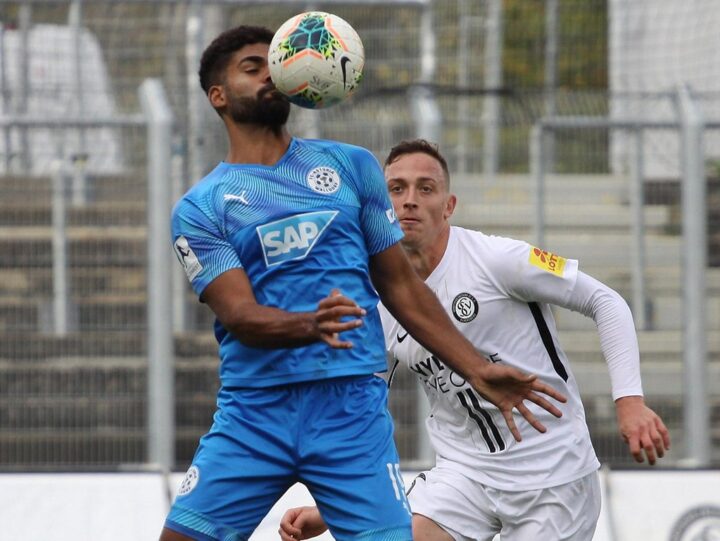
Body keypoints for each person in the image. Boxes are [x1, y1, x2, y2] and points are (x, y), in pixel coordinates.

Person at [160, 27, 567, 541]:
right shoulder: (202, 207)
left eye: (274, 62)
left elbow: (401, 286)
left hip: (351, 412)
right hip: (254, 413)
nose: (270, 72)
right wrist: (312, 324)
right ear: (217, 95)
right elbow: (239, 316)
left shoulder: (350, 167)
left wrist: (477, 370)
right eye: (251, 67)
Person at [279, 139, 671, 541]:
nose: (409, 200)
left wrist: (630, 402)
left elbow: (605, 301)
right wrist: (333, 505)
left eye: (425, 188)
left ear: (448, 206)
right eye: (396, 189)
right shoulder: (375, 298)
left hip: (552, 476)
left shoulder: (497, 259)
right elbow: (362, 409)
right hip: (462, 474)